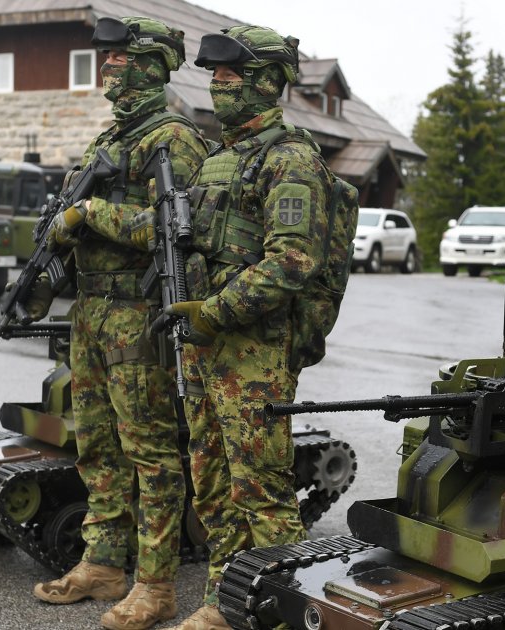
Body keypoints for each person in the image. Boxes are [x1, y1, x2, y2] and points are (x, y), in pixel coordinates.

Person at [26, 17, 208, 630]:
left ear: (154, 66)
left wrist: (88, 213)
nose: (108, 68)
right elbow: (75, 222)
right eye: (106, 59)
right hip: (92, 314)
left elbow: (172, 233)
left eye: (121, 58)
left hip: (137, 317)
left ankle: (156, 584)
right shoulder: (110, 137)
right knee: (97, 445)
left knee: (151, 453)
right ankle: (103, 562)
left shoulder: (176, 140)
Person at [164, 25, 341, 630]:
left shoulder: (289, 159)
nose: (218, 87)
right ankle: (226, 597)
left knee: (261, 490)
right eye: (214, 78)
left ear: (269, 83)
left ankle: (284, 607)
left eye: (230, 78)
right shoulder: (217, 160)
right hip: (203, 346)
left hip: (253, 351)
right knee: (211, 481)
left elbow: (292, 261)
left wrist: (213, 312)